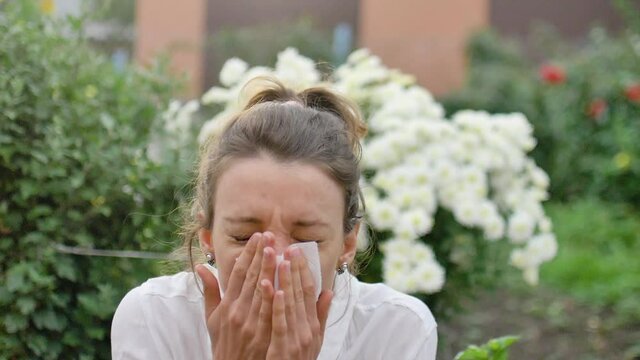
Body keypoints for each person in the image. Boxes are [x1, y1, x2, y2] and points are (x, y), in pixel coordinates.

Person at [111, 77, 438, 359]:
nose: (276, 260)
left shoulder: (397, 328)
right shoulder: (153, 316)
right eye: (243, 237)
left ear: (347, 243)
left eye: (307, 238)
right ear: (207, 237)